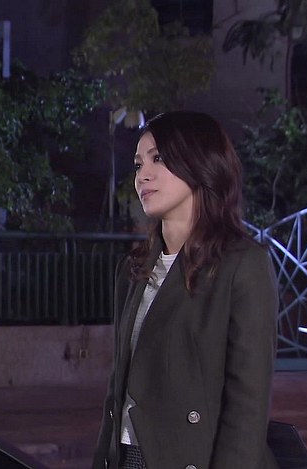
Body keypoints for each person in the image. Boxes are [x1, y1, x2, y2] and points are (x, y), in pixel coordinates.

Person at [92, 111, 279, 469]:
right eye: (138, 164)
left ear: (200, 163)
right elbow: (116, 391)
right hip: (129, 458)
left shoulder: (242, 265)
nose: (143, 175)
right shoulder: (134, 269)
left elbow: (247, 406)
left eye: (158, 159)